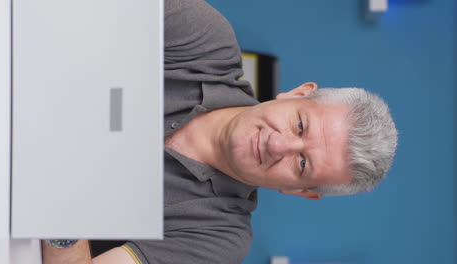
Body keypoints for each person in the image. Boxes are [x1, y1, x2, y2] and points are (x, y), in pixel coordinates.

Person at [42, 0, 398, 263]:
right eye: (299, 124)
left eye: (302, 163)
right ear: (297, 94)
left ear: (300, 191)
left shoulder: (220, 240)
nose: (277, 143)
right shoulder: (205, 39)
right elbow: (63, 12)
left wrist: (60, 192)